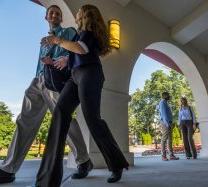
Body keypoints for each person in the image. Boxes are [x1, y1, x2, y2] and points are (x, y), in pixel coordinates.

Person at [35, 4, 129, 187]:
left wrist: (57, 41)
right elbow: (76, 52)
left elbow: (82, 49)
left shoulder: (88, 31)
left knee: (93, 120)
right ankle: (47, 177)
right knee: (60, 114)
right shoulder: (80, 33)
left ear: (86, 15)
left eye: (79, 11)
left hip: (90, 75)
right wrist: (63, 59)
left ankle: (116, 164)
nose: (77, 13)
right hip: (75, 76)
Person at [0, 5, 91, 184]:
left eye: (58, 13)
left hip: (54, 83)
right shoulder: (44, 41)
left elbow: (77, 51)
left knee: (63, 120)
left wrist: (61, 57)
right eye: (51, 12)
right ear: (46, 17)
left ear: (61, 17)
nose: (55, 14)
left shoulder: (69, 31)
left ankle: (84, 160)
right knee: (24, 121)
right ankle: (8, 168)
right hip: (37, 81)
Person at [158, 92, 179, 161]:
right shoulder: (163, 102)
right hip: (165, 123)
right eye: (168, 95)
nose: (169, 96)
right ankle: (163, 155)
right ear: (164, 96)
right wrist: (167, 124)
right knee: (164, 139)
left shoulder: (165, 102)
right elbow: (164, 114)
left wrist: (171, 123)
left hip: (169, 122)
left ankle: (171, 155)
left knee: (170, 139)